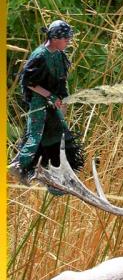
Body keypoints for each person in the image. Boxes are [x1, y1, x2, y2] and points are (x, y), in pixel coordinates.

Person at [9, 20, 84, 195]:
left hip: (52, 103)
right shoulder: (40, 55)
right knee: (36, 135)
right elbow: (29, 82)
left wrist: (63, 99)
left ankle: (57, 182)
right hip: (38, 102)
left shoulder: (59, 54)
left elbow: (60, 80)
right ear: (55, 38)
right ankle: (18, 166)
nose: (68, 42)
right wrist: (49, 96)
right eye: (66, 39)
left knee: (62, 135)